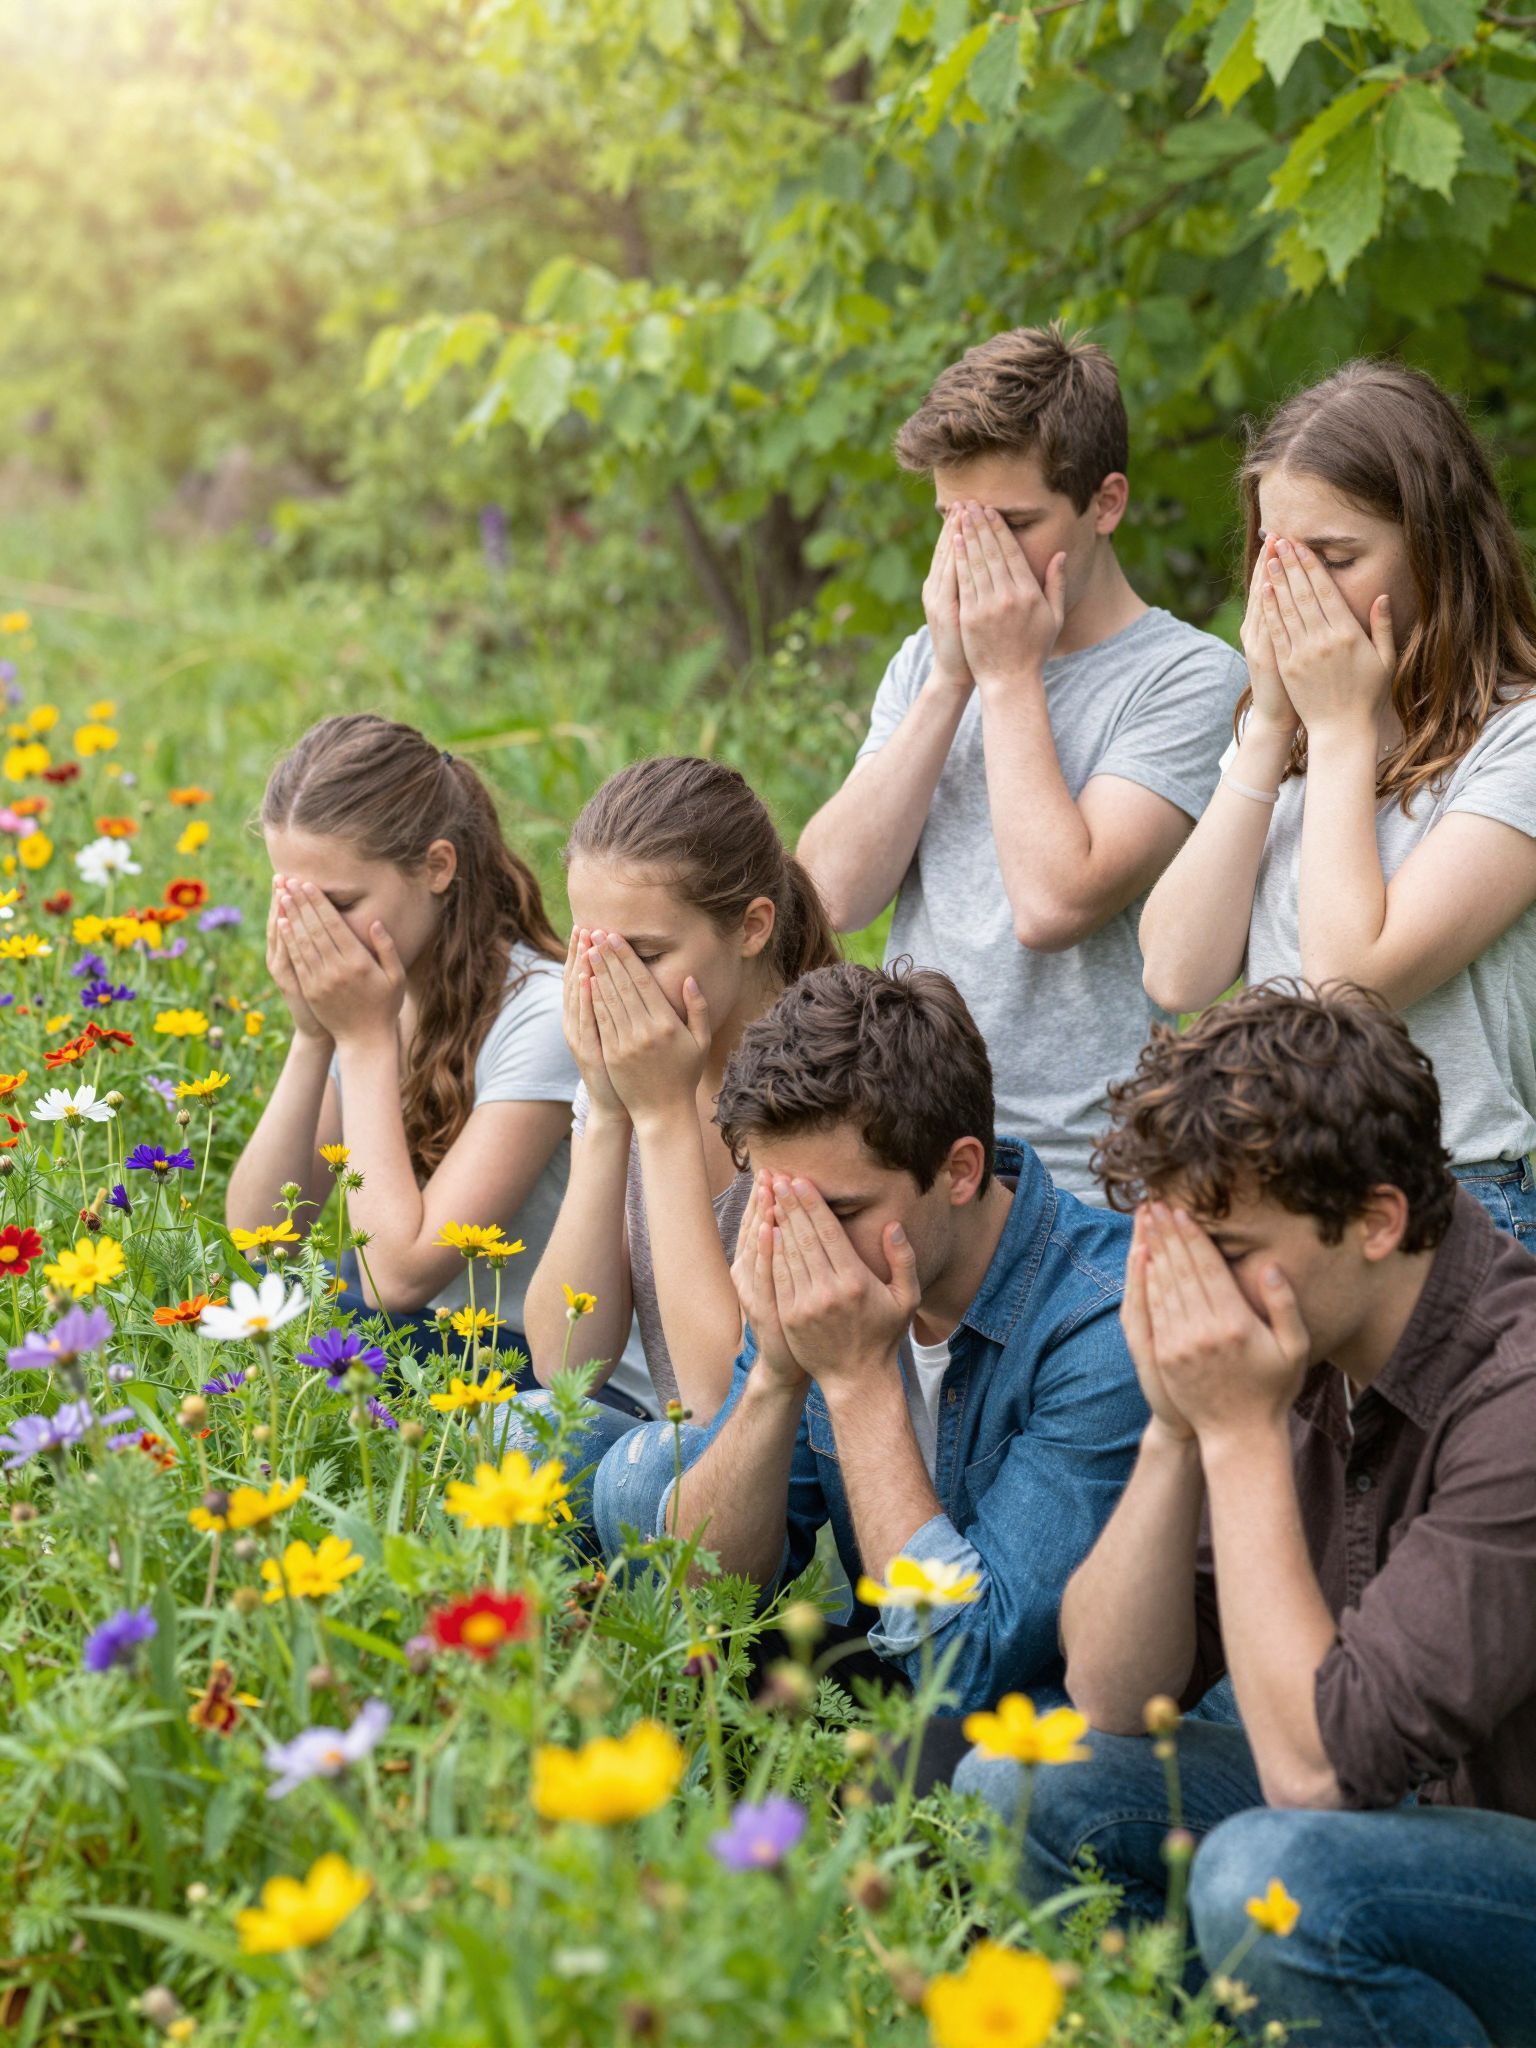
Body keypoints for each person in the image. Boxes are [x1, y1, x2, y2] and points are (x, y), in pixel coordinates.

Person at [985, 982, 1536, 2046]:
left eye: (1226, 1251)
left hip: (1504, 1866)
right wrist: (1175, 1427)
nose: (1198, 1294)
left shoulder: (1514, 1395)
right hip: (1390, 1829)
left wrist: (1237, 1431)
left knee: (1267, 1878)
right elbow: (1110, 1688)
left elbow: (1317, 1778)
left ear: (1376, 1219)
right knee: (1024, 1776)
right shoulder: (1295, 1333)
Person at [590, 961, 1149, 1714]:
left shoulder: (1101, 1323)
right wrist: (776, 1375)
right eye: (780, 1205)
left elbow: (969, 1663)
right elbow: (704, 1601)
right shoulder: (822, 1274)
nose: (804, 1244)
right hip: (890, 1662)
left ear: (959, 1171)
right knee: (637, 1521)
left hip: (1049, 1712)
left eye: (839, 1210)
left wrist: (857, 1380)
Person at [797, 324, 1246, 1200]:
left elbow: (1053, 902)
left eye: (1012, 524)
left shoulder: (1189, 679)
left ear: (1105, 503)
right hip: (914, 1156)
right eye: (955, 526)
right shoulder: (930, 662)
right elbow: (834, 895)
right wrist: (949, 680)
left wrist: (1006, 676)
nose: (979, 559)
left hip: (1086, 1179)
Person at [1140, 360, 1536, 1237]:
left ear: (1436, 545)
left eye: (1336, 558)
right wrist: (1273, 724)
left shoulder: (1521, 743)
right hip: (1276, 1196)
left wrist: (1344, 733)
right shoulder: (1290, 736)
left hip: (1451, 1202)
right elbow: (1175, 971)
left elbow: (1350, 986)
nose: (1295, 595)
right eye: (1276, 560)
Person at [229, 713, 648, 1411]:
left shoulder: (539, 1016)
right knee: (262, 1314)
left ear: (436, 867)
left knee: (322, 1339)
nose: (315, 935)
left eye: (337, 904)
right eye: (293, 904)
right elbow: (260, 1236)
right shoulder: (375, 993)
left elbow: (399, 1277)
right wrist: (311, 1037)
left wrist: (362, 1040)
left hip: (563, 1382)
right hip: (442, 1343)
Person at [517, 756, 839, 1490]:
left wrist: (662, 1115)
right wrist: (605, 1111)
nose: (613, 985)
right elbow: (568, 1364)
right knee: (523, 1429)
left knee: (639, 1481)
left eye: (647, 954)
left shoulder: (828, 1086)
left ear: (753, 927)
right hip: (682, 1455)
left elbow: (718, 1398)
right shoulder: (637, 1066)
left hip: (803, 1480)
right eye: (592, 951)